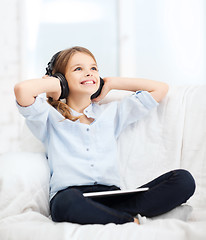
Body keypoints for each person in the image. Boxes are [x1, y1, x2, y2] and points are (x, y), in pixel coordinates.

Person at [14, 46, 195, 225]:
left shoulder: (111, 113)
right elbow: (22, 90)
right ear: (60, 78)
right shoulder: (49, 117)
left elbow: (160, 89)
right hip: (73, 196)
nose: (89, 73)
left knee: (183, 180)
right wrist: (55, 84)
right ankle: (128, 221)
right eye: (78, 69)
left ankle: (112, 215)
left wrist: (111, 83)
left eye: (93, 68)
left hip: (113, 196)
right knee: (66, 203)